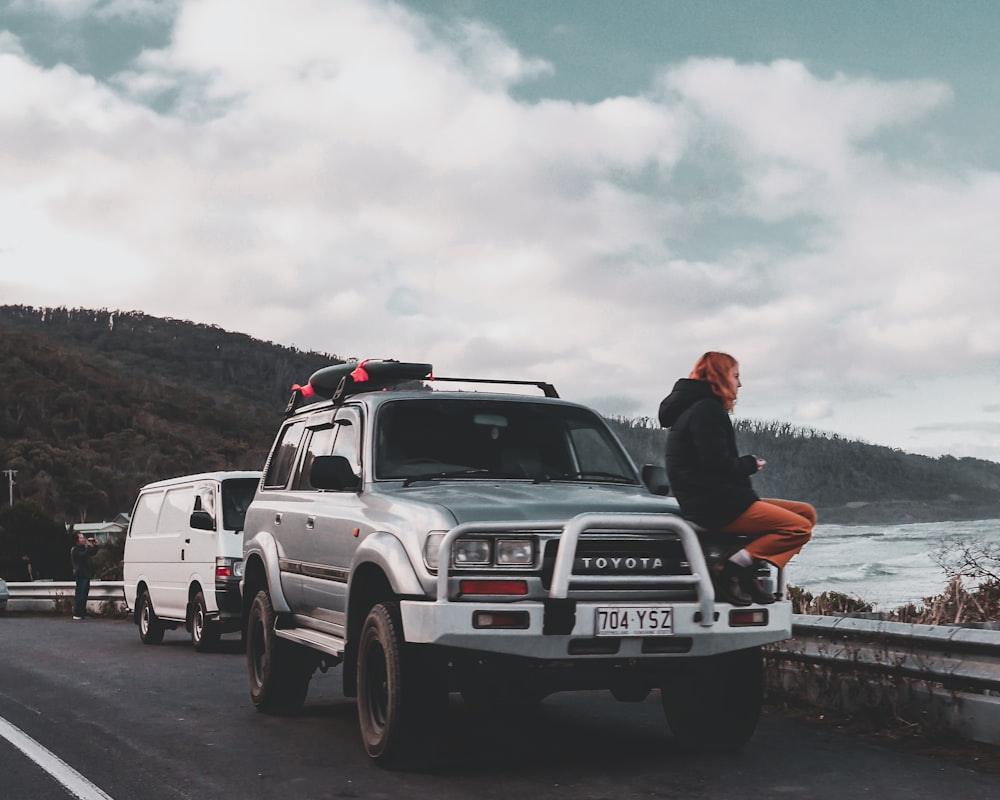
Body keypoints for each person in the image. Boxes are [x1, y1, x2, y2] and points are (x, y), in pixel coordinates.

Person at [658, 351, 815, 606]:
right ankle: (732, 568)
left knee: (806, 513)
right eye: (736, 376)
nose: (739, 384)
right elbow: (716, 466)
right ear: (720, 376)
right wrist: (750, 464)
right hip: (717, 505)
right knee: (798, 528)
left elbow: (710, 462)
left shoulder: (698, 408)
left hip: (720, 498)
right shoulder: (706, 410)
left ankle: (747, 566)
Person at [70, 532, 99, 619]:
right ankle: (77, 612)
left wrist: (95, 546)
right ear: (77, 540)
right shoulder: (74, 549)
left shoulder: (83, 548)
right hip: (80, 574)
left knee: (84, 594)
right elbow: (82, 555)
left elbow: (92, 553)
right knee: (80, 594)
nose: (83, 539)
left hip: (86, 574)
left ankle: (82, 612)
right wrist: (89, 547)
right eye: (81, 538)